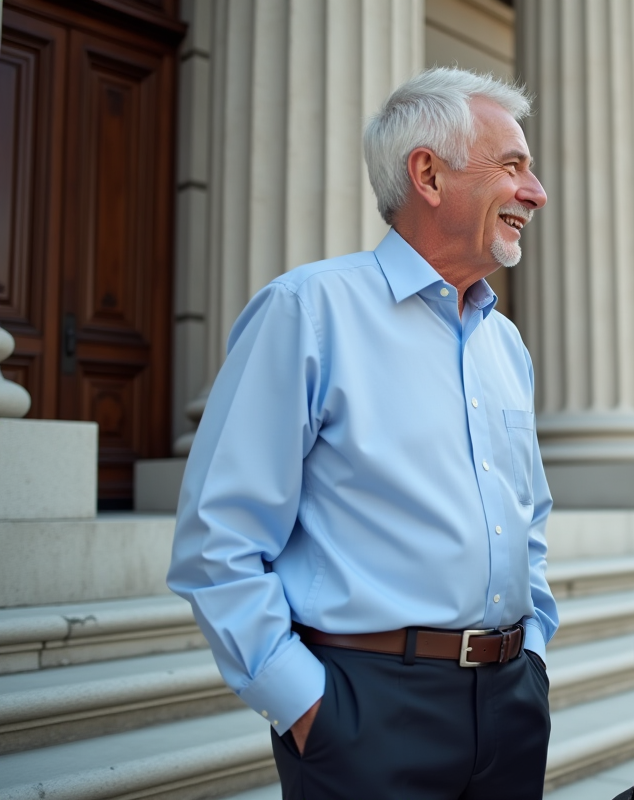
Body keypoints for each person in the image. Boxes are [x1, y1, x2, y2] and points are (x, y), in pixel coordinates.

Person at [167, 68, 557, 799]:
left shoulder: (506, 344)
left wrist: (531, 653)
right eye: (513, 166)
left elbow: (527, 519)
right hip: (365, 713)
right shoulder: (306, 312)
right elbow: (217, 540)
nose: (535, 192)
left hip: (510, 708)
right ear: (428, 175)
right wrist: (307, 706)